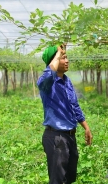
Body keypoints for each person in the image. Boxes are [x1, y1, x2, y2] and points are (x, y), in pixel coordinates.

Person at [37, 44, 93, 184]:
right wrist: (57, 54)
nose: (67, 60)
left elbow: (74, 106)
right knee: (57, 180)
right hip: (56, 137)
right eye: (63, 58)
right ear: (54, 61)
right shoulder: (47, 83)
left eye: (66, 57)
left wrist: (86, 127)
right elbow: (45, 77)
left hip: (69, 136)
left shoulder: (66, 81)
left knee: (70, 177)